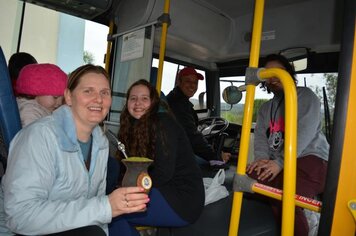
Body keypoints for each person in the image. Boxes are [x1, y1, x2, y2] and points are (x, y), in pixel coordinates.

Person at [0, 64, 149, 235]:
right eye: (88, 91)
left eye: (104, 93)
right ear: (69, 97)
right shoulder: (38, 136)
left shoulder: (101, 143)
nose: (98, 99)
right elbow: (21, 216)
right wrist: (104, 207)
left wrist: (105, 208)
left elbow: (97, 209)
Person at [246, 54, 329, 236]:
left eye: (279, 72)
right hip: (280, 163)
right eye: (269, 74)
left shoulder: (305, 96)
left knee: (285, 197)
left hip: (310, 158)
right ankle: (300, 202)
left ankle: (306, 218)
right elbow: (260, 137)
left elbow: (303, 132)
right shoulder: (265, 109)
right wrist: (261, 160)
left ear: (290, 75)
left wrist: (280, 162)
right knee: (248, 179)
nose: (274, 77)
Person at [109, 79, 205, 236]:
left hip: (182, 199)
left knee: (114, 215)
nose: (138, 103)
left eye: (144, 98)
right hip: (162, 190)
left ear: (153, 102)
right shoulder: (135, 125)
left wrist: (128, 191)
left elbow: (163, 173)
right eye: (133, 98)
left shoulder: (163, 124)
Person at [166, 67, 231, 164]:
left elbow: (192, 134)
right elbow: (192, 136)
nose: (192, 85)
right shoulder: (178, 104)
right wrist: (216, 156)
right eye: (188, 81)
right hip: (174, 154)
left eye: (195, 83)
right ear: (178, 82)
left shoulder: (177, 99)